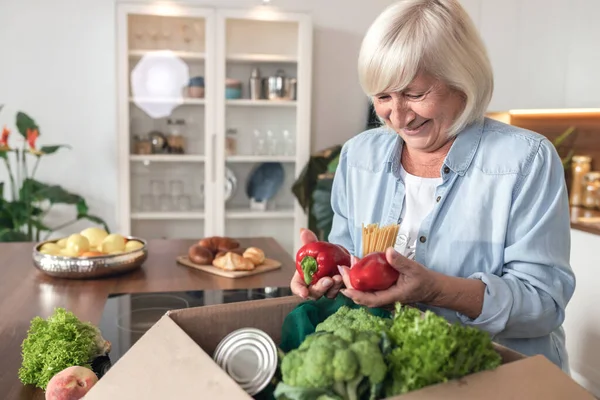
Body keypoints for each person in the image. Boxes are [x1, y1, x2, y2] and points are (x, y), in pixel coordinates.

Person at [290, 0, 575, 373]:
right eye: (382, 96)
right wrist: (328, 272)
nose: (397, 115)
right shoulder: (359, 156)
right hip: (402, 372)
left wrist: (435, 289)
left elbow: (543, 304)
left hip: (503, 377)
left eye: (414, 93)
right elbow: (350, 257)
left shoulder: (524, 161)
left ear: (463, 82)